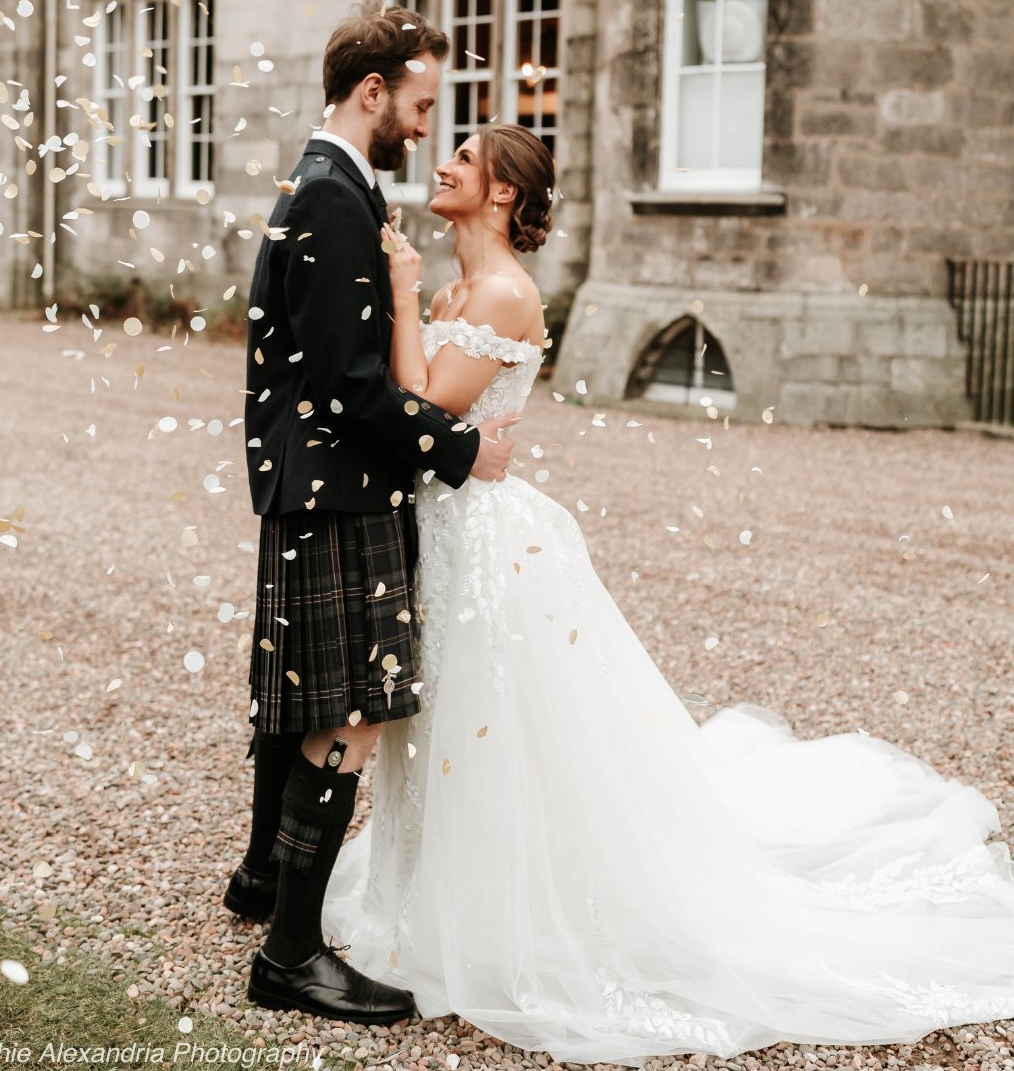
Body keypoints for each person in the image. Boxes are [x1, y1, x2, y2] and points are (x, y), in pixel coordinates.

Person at [321, 122, 1014, 1064]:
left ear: (502, 195)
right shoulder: (455, 289)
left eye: (465, 160)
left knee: (498, 724)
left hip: (485, 545)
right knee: (447, 723)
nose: (442, 164)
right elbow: (420, 403)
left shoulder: (502, 292)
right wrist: (410, 295)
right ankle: (441, 907)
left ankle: (512, 924)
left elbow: (423, 408)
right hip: (440, 533)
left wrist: (400, 297)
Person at [229, 6, 521, 1024]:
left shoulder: (332, 188)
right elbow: (350, 389)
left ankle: (266, 881)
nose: (424, 125)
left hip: (324, 486)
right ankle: (290, 959)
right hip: (336, 490)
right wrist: (461, 448)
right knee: (347, 714)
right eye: (421, 104)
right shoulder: (333, 199)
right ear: (373, 93)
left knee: (312, 697)